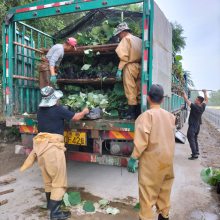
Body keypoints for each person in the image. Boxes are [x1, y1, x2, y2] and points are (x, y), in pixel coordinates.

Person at [20, 86, 89, 220]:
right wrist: (85, 111)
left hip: (40, 149)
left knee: (48, 180)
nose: (58, 100)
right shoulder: (58, 110)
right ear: (54, 99)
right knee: (59, 181)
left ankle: (50, 205)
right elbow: (76, 117)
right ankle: (55, 214)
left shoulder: (40, 110)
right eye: (57, 98)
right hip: (53, 149)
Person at [127, 84, 176, 220]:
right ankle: (164, 215)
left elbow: (141, 142)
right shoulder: (170, 116)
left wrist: (133, 158)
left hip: (152, 163)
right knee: (164, 192)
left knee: (147, 194)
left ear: (148, 98)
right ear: (162, 99)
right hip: (167, 162)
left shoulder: (145, 117)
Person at [114, 22, 142, 120]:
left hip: (130, 66)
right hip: (140, 66)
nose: (119, 36)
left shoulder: (125, 39)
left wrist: (119, 69)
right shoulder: (139, 40)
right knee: (139, 89)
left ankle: (131, 114)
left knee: (130, 89)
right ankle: (138, 113)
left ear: (123, 32)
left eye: (119, 34)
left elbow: (124, 57)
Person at [182, 90, 208, 160]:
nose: (195, 100)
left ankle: (194, 154)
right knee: (195, 138)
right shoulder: (202, 106)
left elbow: (186, 100)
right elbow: (206, 100)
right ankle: (196, 151)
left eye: (196, 99)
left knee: (191, 138)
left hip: (193, 126)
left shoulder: (195, 106)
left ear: (199, 101)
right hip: (197, 126)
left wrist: (184, 94)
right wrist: (205, 92)